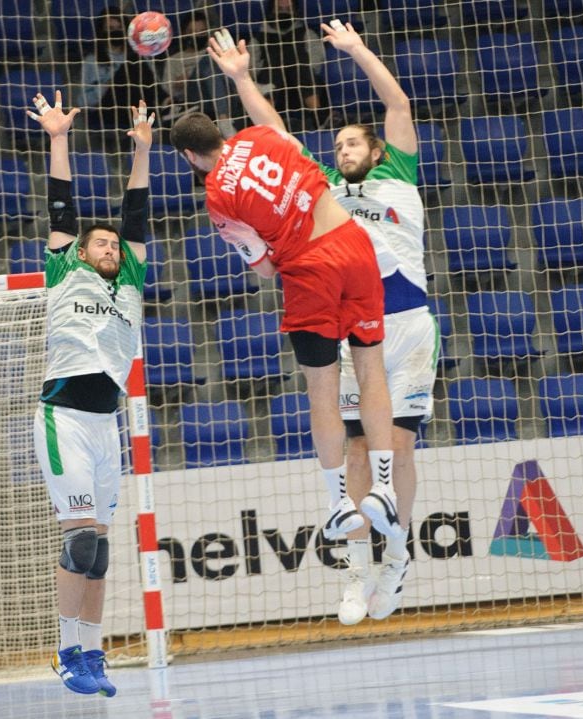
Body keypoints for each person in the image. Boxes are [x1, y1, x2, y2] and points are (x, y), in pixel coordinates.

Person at [170, 29, 403, 555]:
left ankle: (340, 502)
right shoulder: (259, 137)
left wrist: (274, 237)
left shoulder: (217, 199)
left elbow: (264, 269)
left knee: (323, 390)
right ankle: (384, 490)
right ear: (221, 130)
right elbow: (280, 129)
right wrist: (241, 77)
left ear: (189, 155)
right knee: (371, 369)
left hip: (310, 270)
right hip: (354, 243)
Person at [27, 90, 151, 697]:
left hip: (108, 428)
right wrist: (58, 138)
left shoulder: (129, 285)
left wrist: (144, 151)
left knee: (99, 552)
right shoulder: (64, 269)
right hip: (64, 419)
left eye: (112, 245)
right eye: (98, 243)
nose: (108, 248)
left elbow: (138, 214)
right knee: (78, 539)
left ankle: (92, 654)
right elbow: (61, 206)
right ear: (79, 251)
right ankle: (65, 649)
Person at [315, 20, 437, 626]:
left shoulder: (400, 172)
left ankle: (397, 557)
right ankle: (358, 573)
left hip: (408, 322)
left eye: (351, 145)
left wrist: (356, 49)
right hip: (351, 327)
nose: (343, 152)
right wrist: (241, 78)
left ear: (377, 150)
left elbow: (398, 102)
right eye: (337, 148)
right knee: (357, 451)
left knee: (402, 448)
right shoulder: (330, 192)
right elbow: (278, 140)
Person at [77, 6, 169, 135]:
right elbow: (83, 101)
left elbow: (152, 83)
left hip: (138, 105)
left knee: (137, 62)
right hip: (109, 110)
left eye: (119, 28)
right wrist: (105, 86)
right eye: (110, 29)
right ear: (101, 31)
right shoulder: (91, 61)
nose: (115, 32)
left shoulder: (138, 56)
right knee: (130, 67)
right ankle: (163, 109)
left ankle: (165, 104)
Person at [252, 0, 330, 133]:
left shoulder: (306, 33)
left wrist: (290, 68)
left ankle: (319, 119)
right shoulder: (258, 38)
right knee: (276, 61)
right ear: (271, 10)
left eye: (288, 9)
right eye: (280, 9)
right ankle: (267, 124)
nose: (284, 12)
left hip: (302, 89)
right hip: (271, 87)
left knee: (296, 59)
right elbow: (251, 68)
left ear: (295, 11)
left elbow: (316, 63)